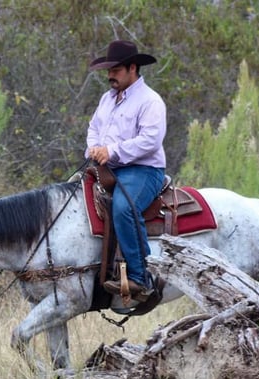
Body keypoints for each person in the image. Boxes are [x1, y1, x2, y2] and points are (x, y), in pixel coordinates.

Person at [85, 39, 166, 303]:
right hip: (108, 167)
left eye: (116, 70)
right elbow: (94, 128)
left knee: (123, 208)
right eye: (109, 70)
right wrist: (95, 148)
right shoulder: (106, 99)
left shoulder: (150, 101)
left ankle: (141, 277)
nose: (110, 75)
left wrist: (112, 151)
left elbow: (150, 141)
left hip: (143, 169)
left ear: (133, 68)